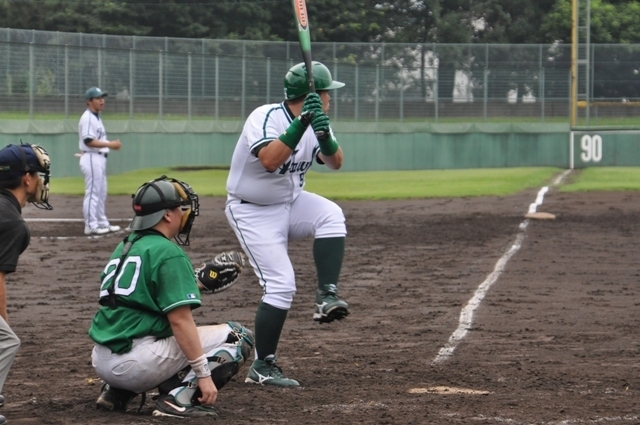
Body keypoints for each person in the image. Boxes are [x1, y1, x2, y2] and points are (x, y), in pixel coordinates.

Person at [225, 61, 349, 387]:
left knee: (331, 215)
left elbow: (336, 162)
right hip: (252, 211)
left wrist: (322, 132)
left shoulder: (318, 119)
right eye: (327, 92)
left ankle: (326, 296)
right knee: (281, 284)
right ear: (312, 94)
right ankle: (262, 367)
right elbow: (269, 160)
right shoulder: (264, 117)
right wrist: (301, 122)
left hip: (290, 202)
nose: (330, 98)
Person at [88, 175, 254, 419]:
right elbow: (180, 321)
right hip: (136, 363)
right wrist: (203, 375)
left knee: (152, 329)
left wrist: (196, 284)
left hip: (103, 359)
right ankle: (179, 400)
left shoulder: (126, 246)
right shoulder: (168, 252)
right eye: (180, 208)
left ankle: (117, 393)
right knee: (238, 336)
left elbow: (139, 297)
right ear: (167, 214)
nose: (184, 213)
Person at [0, 143, 53, 425]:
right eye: (39, 174)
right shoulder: (11, 222)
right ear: (27, 178)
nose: (42, 181)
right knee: (6, 340)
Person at [78, 86, 122, 236]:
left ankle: (102, 222)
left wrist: (108, 144)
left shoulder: (95, 117)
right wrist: (110, 144)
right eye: (98, 98)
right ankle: (91, 225)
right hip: (92, 157)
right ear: (89, 101)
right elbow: (89, 141)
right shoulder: (88, 118)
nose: (102, 101)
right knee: (93, 193)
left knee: (101, 192)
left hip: (97, 157)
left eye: (102, 98)